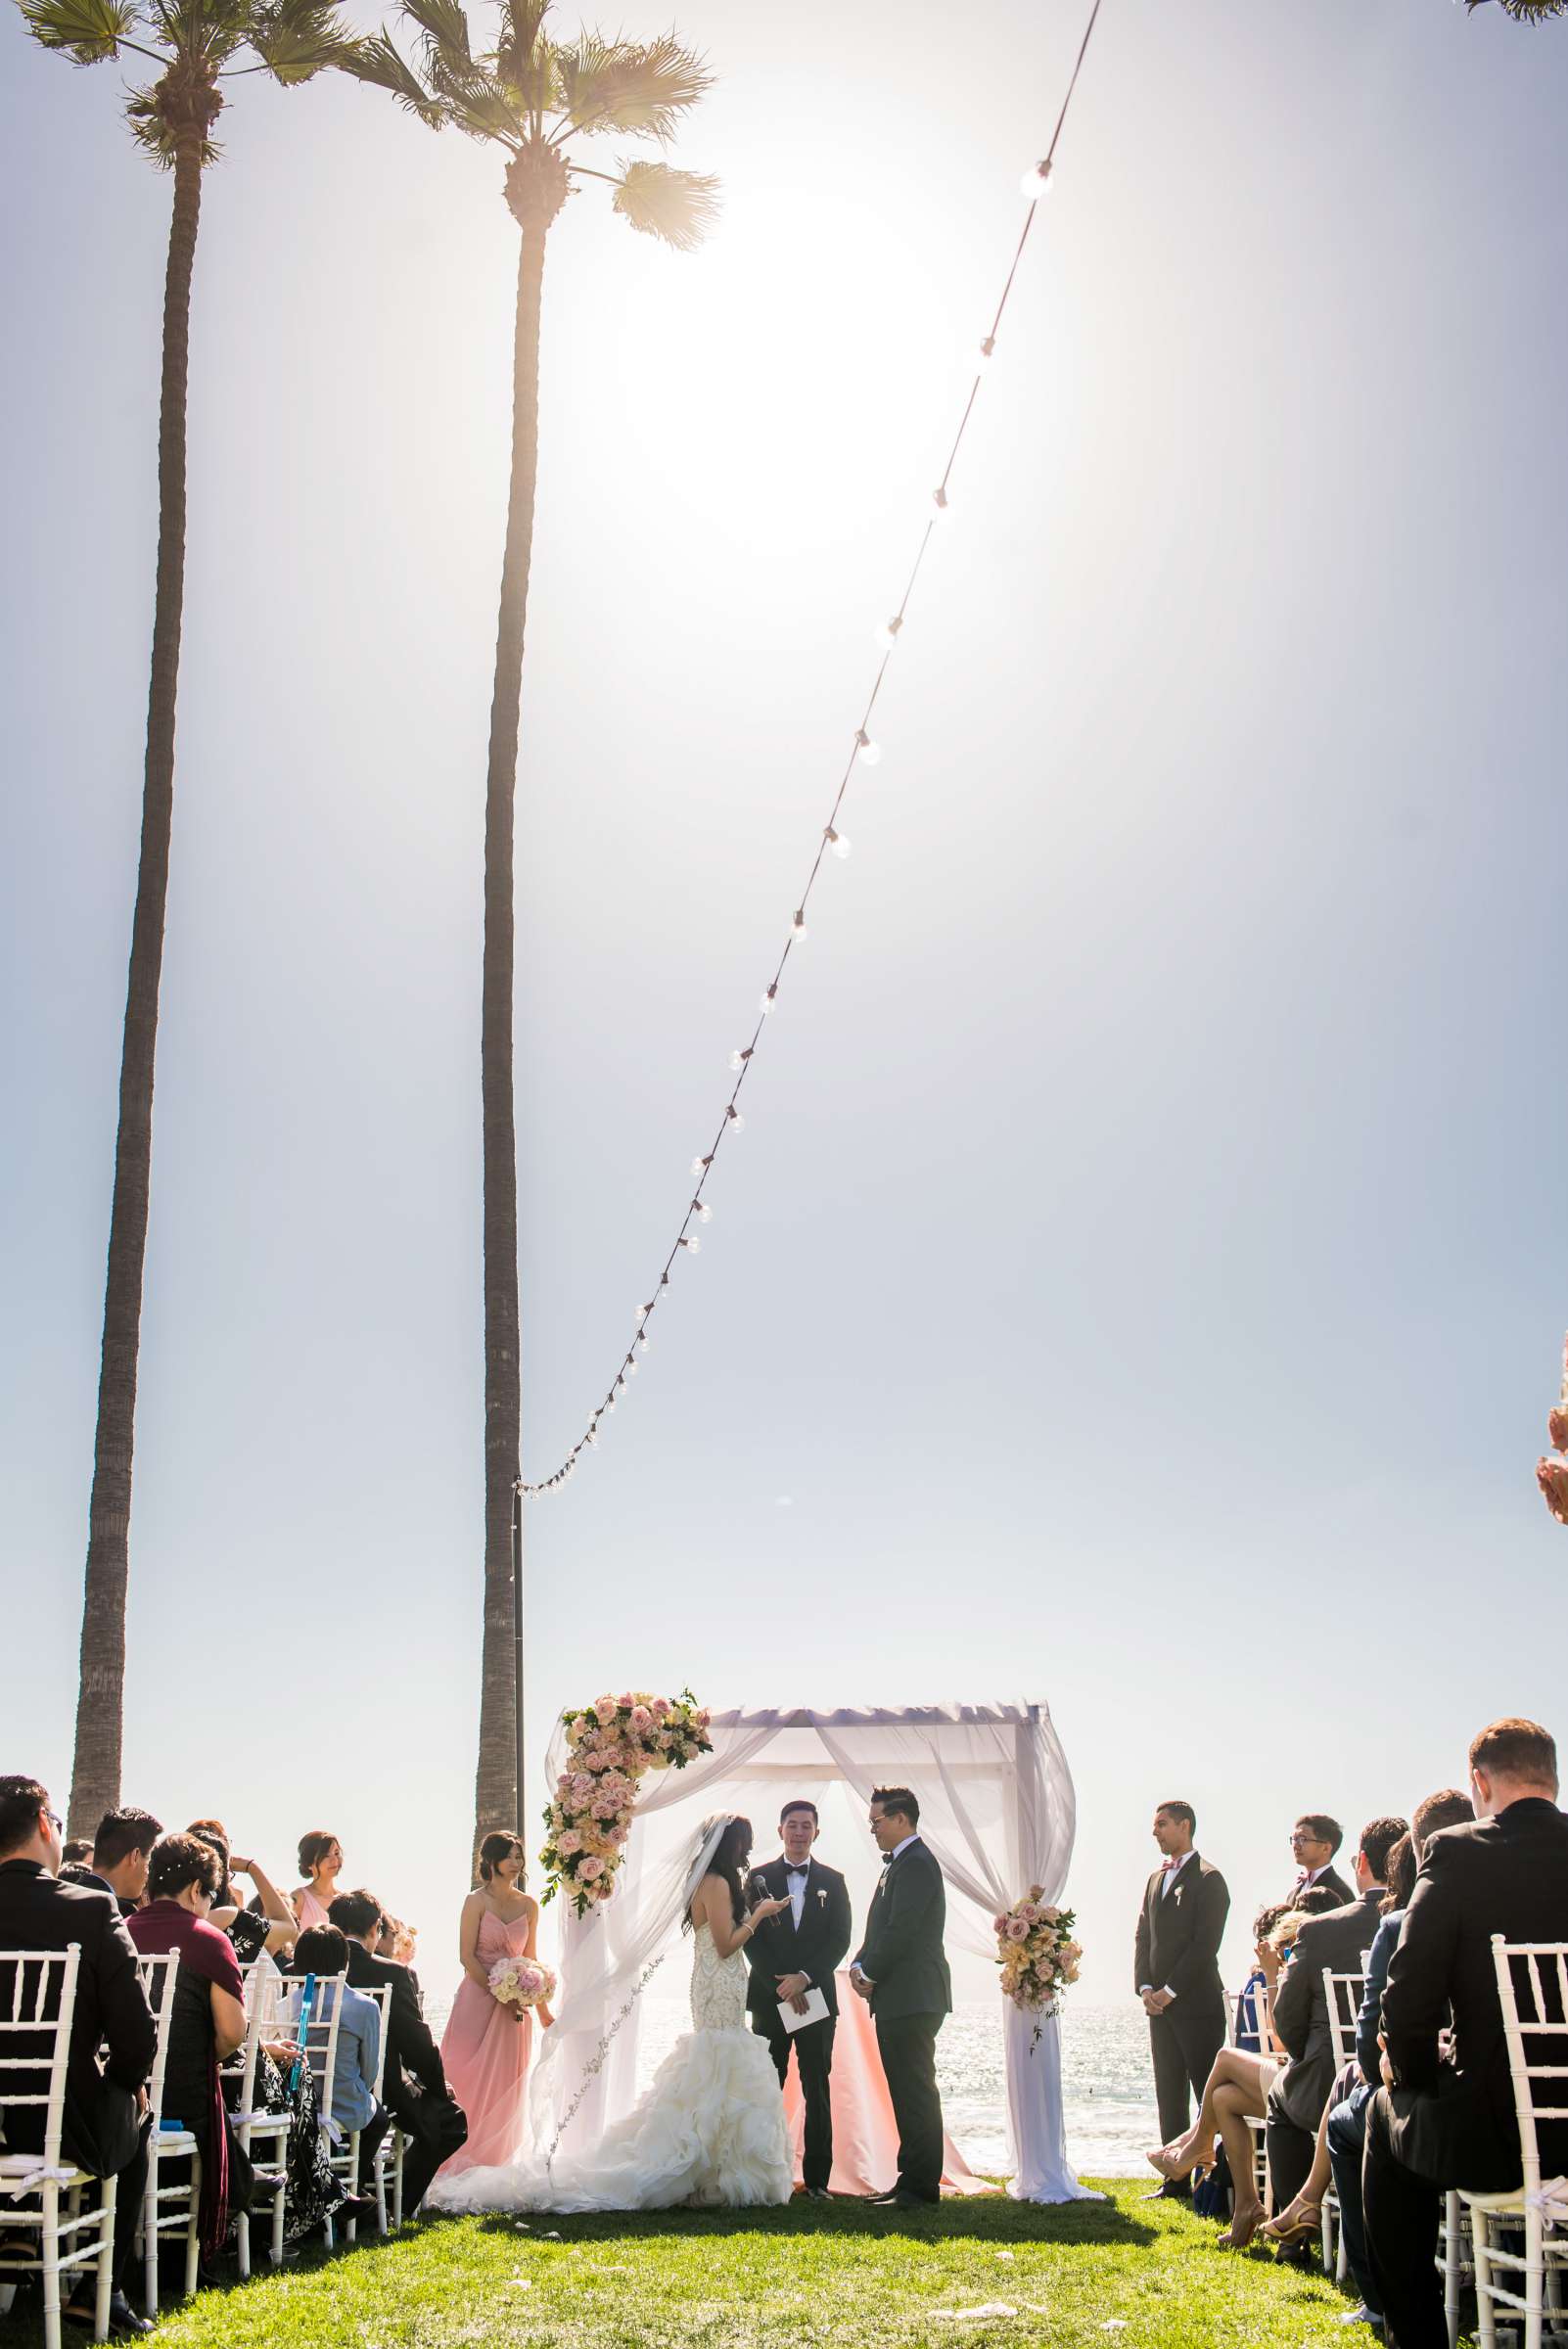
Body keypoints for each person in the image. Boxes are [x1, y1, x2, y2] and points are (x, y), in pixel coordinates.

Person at [433, 1813, 796, 2214]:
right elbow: (726, 1944)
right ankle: (710, 2164)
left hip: (714, 1980)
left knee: (716, 2059)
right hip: (718, 1977)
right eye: (744, 1842)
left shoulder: (706, 1881)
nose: (748, 1849)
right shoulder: (716, 1882)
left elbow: (531, 1958)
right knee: (718, 2056)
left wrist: (537, 2004)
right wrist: (759, 1915)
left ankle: (715, 2163)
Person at [1364, 1719, 1568, 2349]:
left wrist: (1420, 2076)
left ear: (1479, 1781)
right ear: (1553, 1777)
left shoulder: (1455, 1851)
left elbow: (1409, 2002)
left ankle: (1418, 2336)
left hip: (1496, 2138)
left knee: (1379, 2114)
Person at [0, 1775, 156, 2339]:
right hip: (66, 2125)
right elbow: (137, 2038)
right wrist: (123, 2085)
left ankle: (19, 2234)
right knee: (138, 2121)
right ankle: (98, 2292)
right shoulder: (90, 1911)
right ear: (45, 1824)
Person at [1264, 1814, 1407, 2215]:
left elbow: (1287, 2019)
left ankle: (1294, 2226)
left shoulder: (1318, 1930)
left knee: (1280, 2099)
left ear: (1361, 1862)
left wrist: (1303, 2054)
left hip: (1329, 2082)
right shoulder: (1426, 1920)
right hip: (1408, 2077)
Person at [127, 1831, 254, 2275]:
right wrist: (202, 2057)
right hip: (184, 2096)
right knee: (228, 2151)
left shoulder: (120, 1933)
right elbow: (232, 2033)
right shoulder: (208, 1940)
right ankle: (192, 2247)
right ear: (199, 1889)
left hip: (124, 2094)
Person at [1145, 1906, 1303, 2246]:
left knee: (1226, 2057)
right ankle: (1246, 2206)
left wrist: (1274, 1975)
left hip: (1302, 2085)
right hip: (1295, 2081)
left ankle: (1199, 2144)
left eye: (1288, 1948)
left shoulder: (1298, 1973)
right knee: (1223, 2098)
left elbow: (1281, 2040)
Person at [331, 1887, 469, 2215]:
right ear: (375, 1929)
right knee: (452, 2122)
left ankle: (363, 2191)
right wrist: (437, 2088)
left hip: (317, 2087)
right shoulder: (393, 1973)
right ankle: (390, 2204)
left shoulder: (302, 1968)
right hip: (382, 2089)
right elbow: (417, 2045)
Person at [850, 1786, 953, 2210]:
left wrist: (870, 1971)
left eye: (876, 1822)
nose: (872, 1830)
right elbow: (880, 1927)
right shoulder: (900, 1864)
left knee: (915, 2090)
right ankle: (909, 2178)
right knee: (906, 2090)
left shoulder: (916, 1864)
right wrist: (859, 1963)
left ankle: (921, 2187)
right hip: (901, 1995)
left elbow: (902, 1931)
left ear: (900, 1820)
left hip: (913, 1994)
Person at [743, 1799, 853, 2199]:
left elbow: (840, 1938)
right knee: (767, 2085)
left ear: (817, 1832)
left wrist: (804, 1979)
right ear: (780, 1830)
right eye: (792, 1825)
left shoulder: (834, 1880)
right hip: (771, 1999)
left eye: (807, 1825)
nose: (799, 1832)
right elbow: (749, 1936)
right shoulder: (757, 1877)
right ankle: (763, 2174)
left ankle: (818, 2181)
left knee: (816, 2087)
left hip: (814, 1999)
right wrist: (781, 1986)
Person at [1132, 1798, 1230, 2198]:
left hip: (1197, 2006)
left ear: (1184, 1826)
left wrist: (1170, 1991)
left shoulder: (1210, 1879)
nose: (1155, 1831)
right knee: (1168, 2091)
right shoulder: (1155, 1880)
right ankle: (1174, 2180)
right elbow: (1143, 1936)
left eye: (1162, 1824)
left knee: (1207, 2094)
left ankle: (1221, 2178)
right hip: (1159, 2007)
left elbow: (1204, 1945)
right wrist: (1145, 1989)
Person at [436, 1832, 547, 2175]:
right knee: (460, 2069)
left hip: (516, 2007)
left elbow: (531, 1958)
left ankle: (496, 2159)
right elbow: (466, 1957)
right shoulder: (476, 1901)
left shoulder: (529, 1905)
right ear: (493, 1860)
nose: (517, 1862)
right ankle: (454, 2150)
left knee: (506, 2083)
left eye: (520, 1856)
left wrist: (539, 2005)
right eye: (511, 1856)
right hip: (477, 1997)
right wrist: (500, 1993)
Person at [285, 1924, 390, 2190]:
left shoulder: (287, 2003)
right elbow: (369, 2072)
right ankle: (350, 2190)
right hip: (343, 2103)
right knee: (379, 2120)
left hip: (293, 2103)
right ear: (344, 1959)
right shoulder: (364, 2005)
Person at [185, 1822, 295, 1962]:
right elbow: (288, 1929)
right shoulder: (227, 1916)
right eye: (219, 1840)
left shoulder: (167, 1915)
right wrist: (252, 1867)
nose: (226, 1846)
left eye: (226, 1840)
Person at [86, 1808, 162, 1917]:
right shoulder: (120, 1915)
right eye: (149, 1862)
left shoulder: (61, 1898)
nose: (148, 1874)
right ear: (135, 1856)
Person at [1286, 1814, 1355, 1908]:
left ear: (1326, 1848)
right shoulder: (1293, 1893)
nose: (1295, 1845)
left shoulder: (1340, 1891)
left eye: (1302, 1839)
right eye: (1295, 1839)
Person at [290, 1831, 344, 1931]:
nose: (334, 1859)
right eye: (326, 1855)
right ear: (309, 1862)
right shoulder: (299, 1898)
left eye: (336, 1853)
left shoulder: (347, 1901)